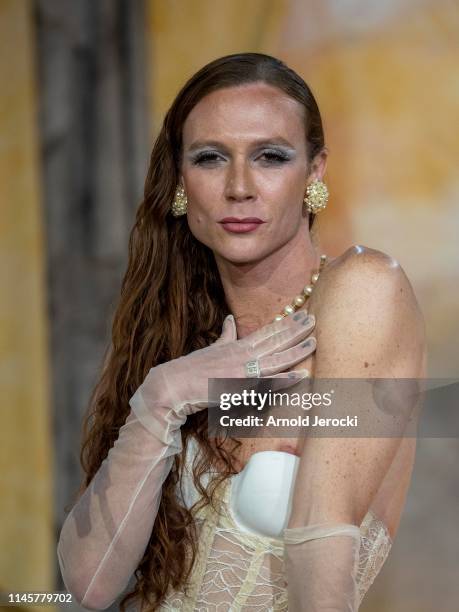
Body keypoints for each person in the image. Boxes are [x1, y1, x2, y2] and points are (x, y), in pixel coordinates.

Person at [57, 52, 427, 611]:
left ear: (315, 172)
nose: (238, 187)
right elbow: (90, 583)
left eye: (270, 157)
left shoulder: (363, 290)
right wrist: (161, 399)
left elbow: (321, 539)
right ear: (181, 180)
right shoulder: (170, 330)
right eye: (210, 158)